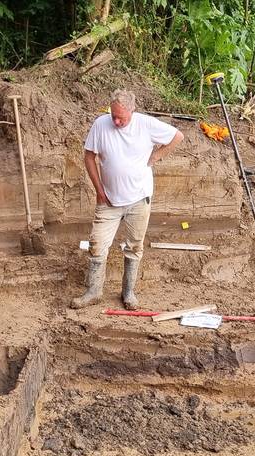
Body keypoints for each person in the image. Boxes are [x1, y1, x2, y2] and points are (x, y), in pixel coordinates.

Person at [71, 89, 184, 310]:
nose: (115, 120)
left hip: (139, 199)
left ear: (132, 110)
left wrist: (157, 155)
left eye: (120, 117)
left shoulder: (146, 124)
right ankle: (94, 291)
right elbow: (88, 156)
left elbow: (177, 136)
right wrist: (99, 190)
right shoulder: (101, 124)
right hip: (109, 201)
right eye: (113, 115)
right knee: (97, 244)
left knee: (134, 246)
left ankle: (128, 292)